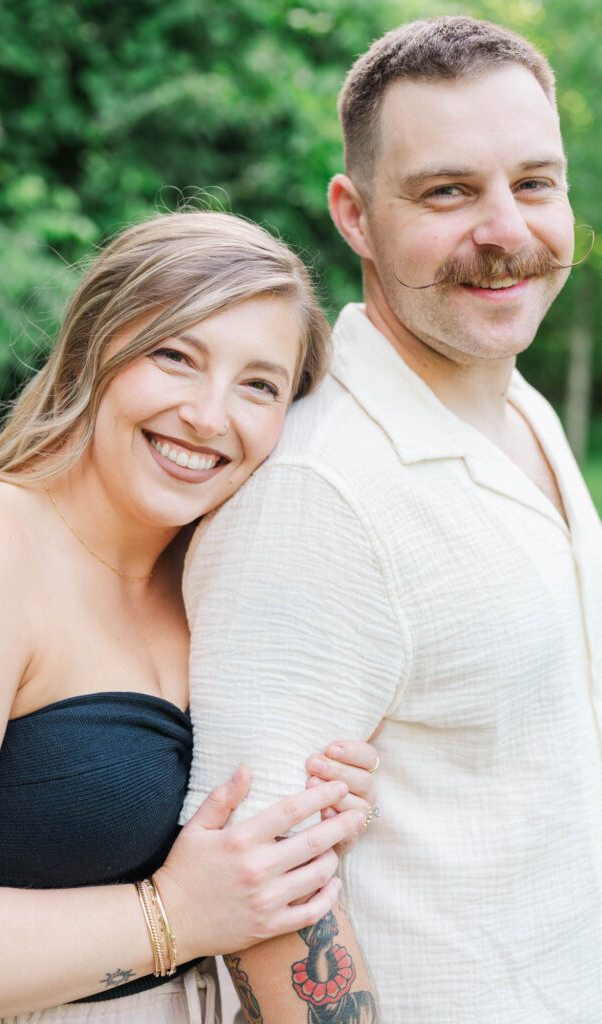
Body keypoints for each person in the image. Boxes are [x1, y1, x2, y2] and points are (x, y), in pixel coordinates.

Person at [179, 17, 602, 1024]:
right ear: (355, 214)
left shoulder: (525, 409)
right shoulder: (318, 492)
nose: (506, 229)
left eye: (535, 183)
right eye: (448, 191)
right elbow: (261, 887)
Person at [0, 210, 382, 1024]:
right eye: (175, 356)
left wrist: (311, 812)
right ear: (94, 348)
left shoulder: (217, 582)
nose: (209, 416)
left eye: (259, 386)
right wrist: (169, 915)